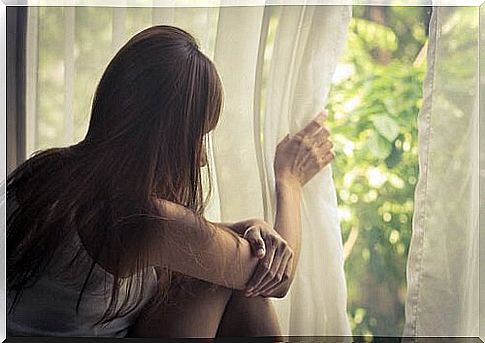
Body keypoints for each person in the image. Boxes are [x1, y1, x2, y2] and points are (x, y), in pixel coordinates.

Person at [6, 25, 334, 338]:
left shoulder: (43, 171)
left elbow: (182, 241)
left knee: (209, 267)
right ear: (166, 139)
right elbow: (275, 279)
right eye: (197, 138)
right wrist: (289, 181)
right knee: (221, 278)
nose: (202, 158)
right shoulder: (143, 220)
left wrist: (243, 226)